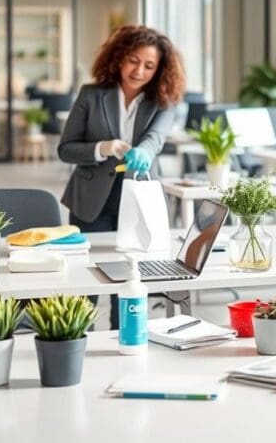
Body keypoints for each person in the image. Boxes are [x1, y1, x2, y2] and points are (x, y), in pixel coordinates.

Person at [58, 24, 186, 328]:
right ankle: (79, 339)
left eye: (149, 65)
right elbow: (66, 149)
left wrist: (143, 151)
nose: (139, 70)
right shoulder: (92, 95)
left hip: (137, 197)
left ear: (159, 70)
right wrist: (103, 147)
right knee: (85, 279)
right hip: (90, 200)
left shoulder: (163, 102)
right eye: (134, 60)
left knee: (130, 278)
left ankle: (123, 339)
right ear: (118, 58)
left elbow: (155, 138)